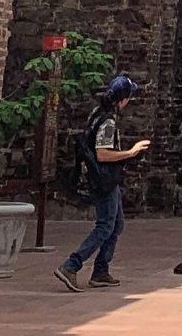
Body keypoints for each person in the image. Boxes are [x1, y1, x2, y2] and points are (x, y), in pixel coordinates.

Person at [54, 74, 151, 290]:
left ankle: (101, 270)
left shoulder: (97, 114)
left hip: (105, 178)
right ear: (123, 99)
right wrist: (130, 153)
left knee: (116, 224)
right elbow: (103, 154)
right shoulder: (107, 121)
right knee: (106, 225)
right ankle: (72, 265)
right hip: (103, 178)